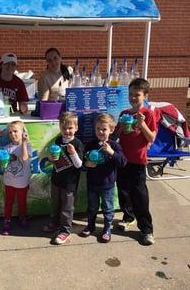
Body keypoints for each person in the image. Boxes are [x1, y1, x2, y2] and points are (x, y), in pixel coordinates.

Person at [116, 77, 157, 245]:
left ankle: (147, 230)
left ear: (145, 95)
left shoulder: (148, 114)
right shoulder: (124, 113)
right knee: (123, 191)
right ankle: (128, 217)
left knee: (140, 196)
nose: (133, 97)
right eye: (131, 94)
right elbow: (118, 135)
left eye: (137, 95)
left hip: (138, 162)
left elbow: (151, 138)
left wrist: (142, 125)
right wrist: (120, 129)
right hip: (123, 160)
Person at [81, 113, 126, 242]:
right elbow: (82, 164)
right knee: (92, 207)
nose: (101, 131)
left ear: (111, 130)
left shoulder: (115, 145)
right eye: (98, 129)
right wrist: (87, 164)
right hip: (92, 183)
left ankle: (107, 228)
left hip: (107, 185)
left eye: (104, 129)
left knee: (108, 208)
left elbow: (123, 162)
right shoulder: (90, 145)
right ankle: (91, 225)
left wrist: (111, 152)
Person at [43, 111, 84, 244]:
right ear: (60, 128)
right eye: (64, 128)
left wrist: (73, 153)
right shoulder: (58, 140)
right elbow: (55, 159)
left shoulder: (77, 144)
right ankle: (55, 222)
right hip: (56, 179)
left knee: (67, 207)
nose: (67, 131)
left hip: (69, 183)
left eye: (70, 128)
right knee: (56, 203)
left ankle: (65, 230)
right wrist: (50, 158)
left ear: (76, 128)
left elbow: (79, 165)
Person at [0, 120, 32, 235]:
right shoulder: (6, 148)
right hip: (9, 180)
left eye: (15, 131)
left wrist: (23, 142)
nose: (12, 134)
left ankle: (22, 217)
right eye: (10, 132)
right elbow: (2, 165)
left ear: (23, 132)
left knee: (22, 201)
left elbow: (24, 158)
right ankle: (7, 220)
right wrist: (2, 161)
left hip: (22, 180)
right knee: (9, 201)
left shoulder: (27, 145)